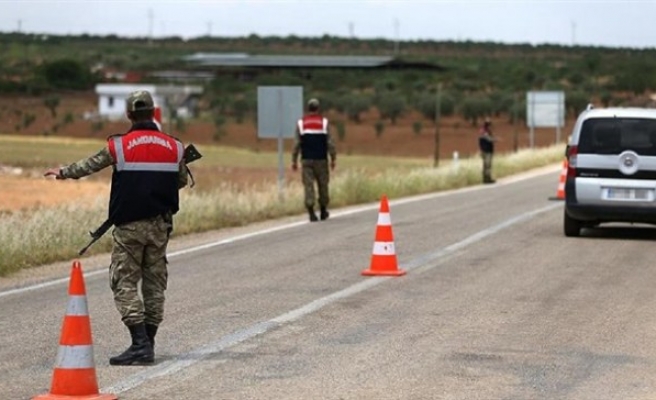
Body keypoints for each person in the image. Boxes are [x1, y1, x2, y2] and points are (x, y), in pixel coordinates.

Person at [44, 90, 188, 366]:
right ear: (153, 112)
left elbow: (89, 165)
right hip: (160, 226)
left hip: (129, 226)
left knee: (123, 281)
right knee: (155, 284)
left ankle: (140, 345)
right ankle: (149, 342)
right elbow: (179, 181)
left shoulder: (119, 146)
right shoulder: (175, 147)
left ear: (129, 114)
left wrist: (63, 172)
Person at [292, 98, 337, 222]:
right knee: (323, 185)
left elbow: (296, 144)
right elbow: (330, 143)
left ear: (308, 108)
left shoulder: (301, 123)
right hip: (321, 159)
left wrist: (294, 160)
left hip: (306, 159)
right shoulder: (324, 123)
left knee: (308, 185)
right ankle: (323, 211)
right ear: (318, 108)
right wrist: (333, 158)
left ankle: (311, 213)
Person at [478, 119, 497, 184]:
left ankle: (486, 178)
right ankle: (487, 179)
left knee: (485, 165)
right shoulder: (484, 132)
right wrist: (495, 139)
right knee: (487, 165)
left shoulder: (484, 131)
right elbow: (489, 139)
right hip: (487, 151)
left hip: (485, 150)